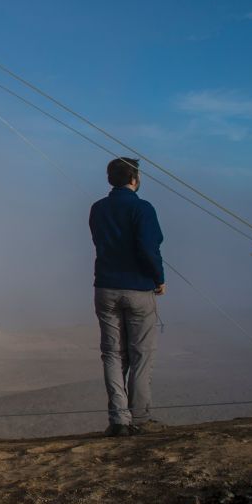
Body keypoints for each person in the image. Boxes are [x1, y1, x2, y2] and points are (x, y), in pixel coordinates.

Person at [88, 157, 166, 437]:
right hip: (138, 289)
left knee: (112, 354)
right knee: (141, 353)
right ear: (134, 179)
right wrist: (159, 278)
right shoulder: (143, 208)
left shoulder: (97, 209)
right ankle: (141, 418)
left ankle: (119, 420)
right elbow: (149, 246)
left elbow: (100, 241)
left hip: (105, 288)